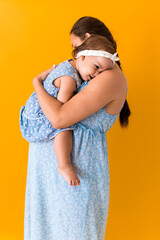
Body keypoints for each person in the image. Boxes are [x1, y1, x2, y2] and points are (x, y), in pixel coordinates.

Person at [24, 16, 131, 240]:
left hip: (75, 174)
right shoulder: (88, 72)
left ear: (88, 40)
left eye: (76, 47)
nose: (74, 56)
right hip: (49, 175)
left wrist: (36, 83)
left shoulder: (108, 76)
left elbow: (59, 118)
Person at [20, 34, 120, 187]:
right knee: (65, 127)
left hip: (32, 115)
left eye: (101, 73)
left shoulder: (69, 66)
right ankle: (64, 164)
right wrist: (37, 83)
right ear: (82, 57)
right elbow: (59, 115)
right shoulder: (69, 80)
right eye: (97, 67)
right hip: (38, 119)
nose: (96, 75)